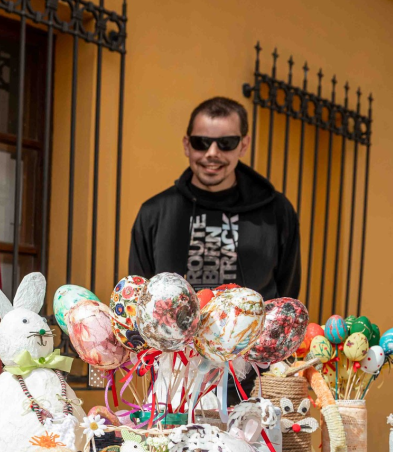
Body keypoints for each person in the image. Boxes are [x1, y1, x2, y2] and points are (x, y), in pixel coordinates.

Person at [128, 96, 300, 300]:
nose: (212, 153)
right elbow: (139, 299)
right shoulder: (154, 213)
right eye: (201, 142)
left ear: (244, 145)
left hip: (254, 332)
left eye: (226, 143)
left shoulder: (277, 212)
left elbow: (285, 297)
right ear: (186, 145)